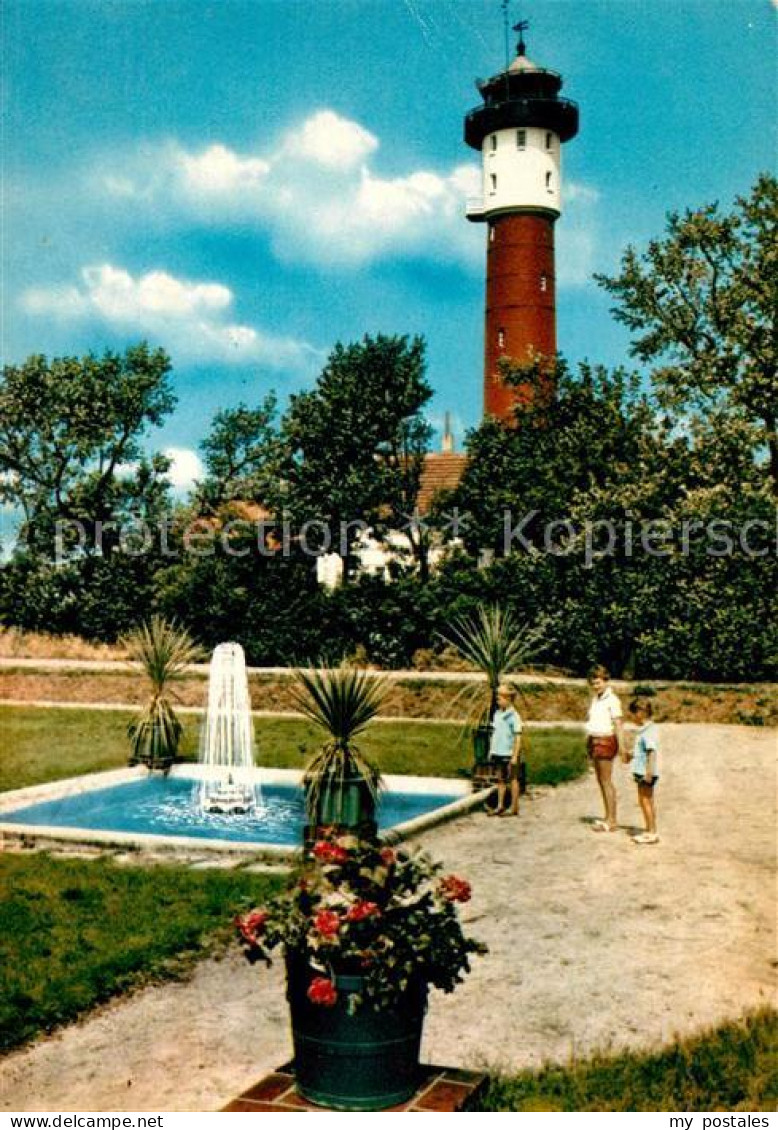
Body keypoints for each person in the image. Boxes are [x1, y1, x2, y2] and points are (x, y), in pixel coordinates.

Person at [585, 665, 626, 832]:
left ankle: (612, 820)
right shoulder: (596, 699)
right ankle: (607, 816)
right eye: (593, 683)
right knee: (600, 780)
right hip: (594, 739)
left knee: (606, 780)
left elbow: (618, 724)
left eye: (599, 682)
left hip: (606, 740)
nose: (596, 686)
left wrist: (622, 747)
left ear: (606, 681)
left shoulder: (613, 700)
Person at [486, 682, 522, 817]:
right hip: (498, 751)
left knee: (512, 778)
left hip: (508, 752)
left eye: (500, 699)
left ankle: (514, 806)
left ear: (508, 699)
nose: (498, 701)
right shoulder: (497, 714)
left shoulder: (514, 716)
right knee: (500, 779)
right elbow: (494, 733)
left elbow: (518, 737)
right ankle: (500, 805)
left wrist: (514, 755)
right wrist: (491, 750)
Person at [628, 696, 661, 844]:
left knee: (644, 800)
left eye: (633, 714)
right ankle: (650, 829)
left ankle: (651, 832)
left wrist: (649, 772)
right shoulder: (646, 730)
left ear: (641, 712)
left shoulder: (648, 731)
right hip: (643, 770)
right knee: (647, 800)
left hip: (645, 772)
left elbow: (651, 752)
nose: (632, 718)